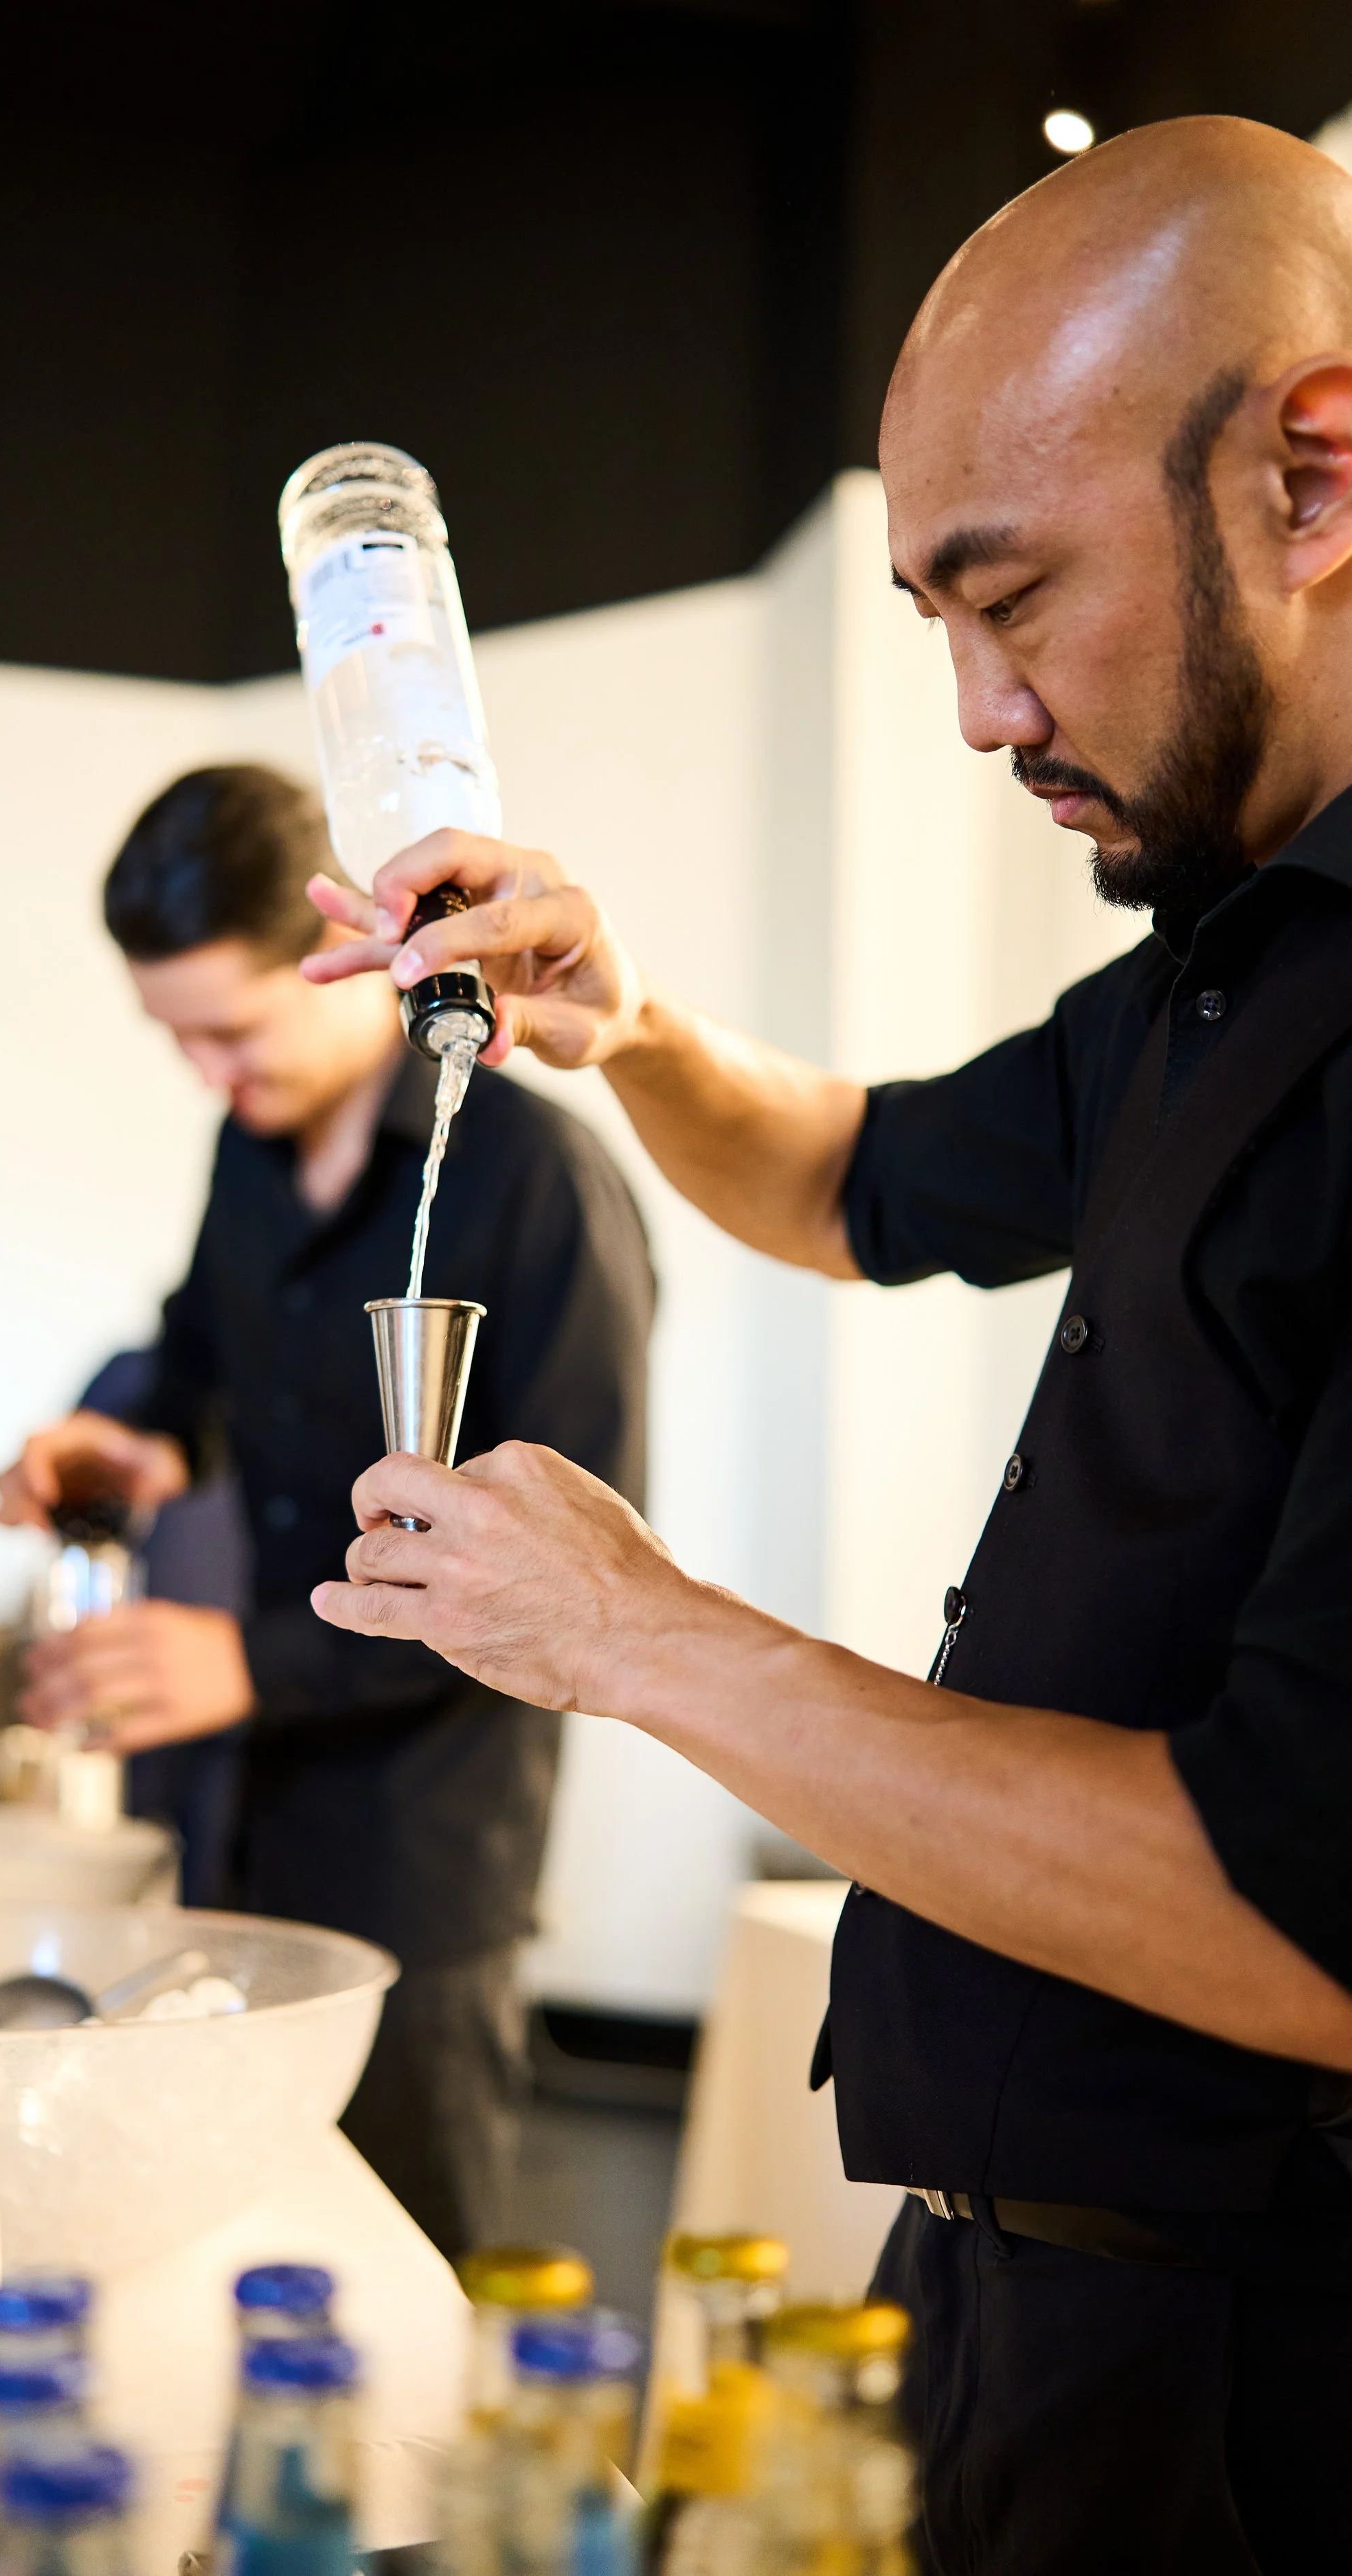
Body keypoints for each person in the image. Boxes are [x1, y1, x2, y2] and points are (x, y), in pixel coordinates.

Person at [301, 117, 1352, 2575]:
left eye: (1017, 597)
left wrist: (643, 1633)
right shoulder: (1216, 966)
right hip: (1012, 2303)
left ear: (1313, 470)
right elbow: (851, 1179)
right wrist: (623, 1015)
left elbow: (1310, 1928)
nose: (985, 711)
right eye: (929, 623)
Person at [0, 763, 653, 2258]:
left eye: (229, 1030)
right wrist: (125, 1435)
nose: (209, 1076)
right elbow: (194, 1348)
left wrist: (243, 1661)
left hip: (425, 1855)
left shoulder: (537, 1188)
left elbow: (582, 1577)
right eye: (177, 1042)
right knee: (249, 2253)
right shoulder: (245, 1149)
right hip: (251, 1829)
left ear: (342, 955)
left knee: (410, 2276)